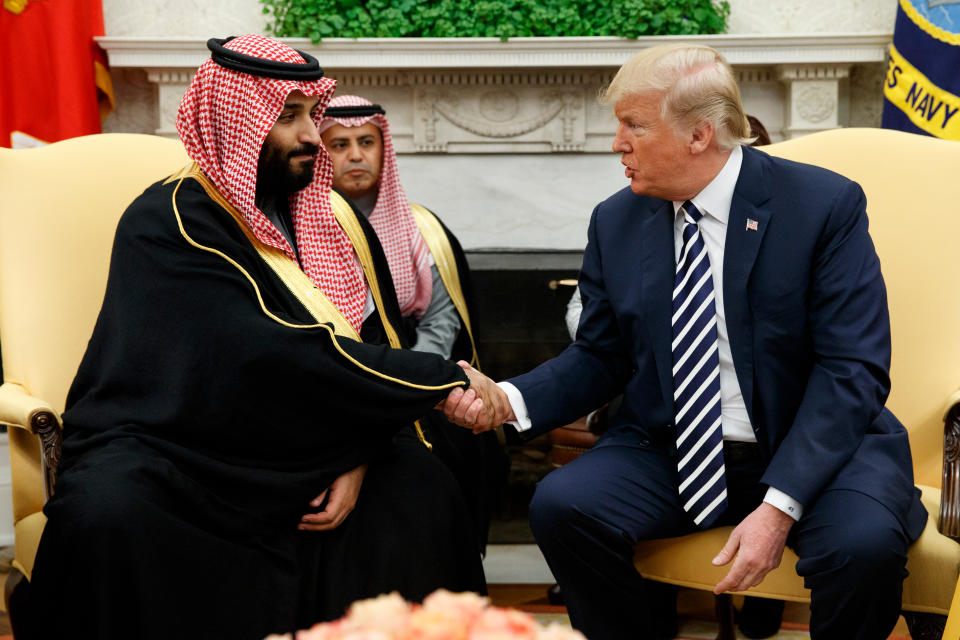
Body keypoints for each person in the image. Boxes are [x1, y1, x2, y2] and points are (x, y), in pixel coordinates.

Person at [442, 42, 926, 640]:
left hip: (815, 447)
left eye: (633, 126)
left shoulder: (823, 206)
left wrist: (779, 507)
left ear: (700, 135)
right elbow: (600, 354)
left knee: (864, 548)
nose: (617, 143)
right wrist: (507, 401)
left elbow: (851, 369)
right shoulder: (616, 219)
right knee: (564, 506)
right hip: (675, 448)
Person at [27, 35, 485, 640]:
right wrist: (442, 378)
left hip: (309, 442)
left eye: (310, 115)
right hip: (176, 447)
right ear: (236, 123)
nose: (311, 138)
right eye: (288, 117)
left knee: (420, 492)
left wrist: (361, 450)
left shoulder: (327, 218)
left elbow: (375, 341)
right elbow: (267, 353)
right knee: (106, 514)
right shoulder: (169, 222)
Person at [320, 95, 506, 552]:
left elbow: (443, 319)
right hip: (337, 378)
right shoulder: (308, 225)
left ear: (385, 149)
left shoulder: (423, 227)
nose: (356, 155)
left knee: (465, 445)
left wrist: (409, 379)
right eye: (339, 144)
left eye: (366, 141)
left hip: (416, 375)